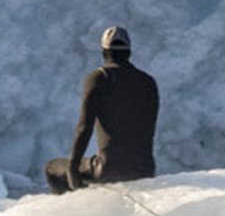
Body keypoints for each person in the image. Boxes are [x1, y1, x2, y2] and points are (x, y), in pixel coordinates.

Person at [47, 24, 160, 190]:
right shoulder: (148, 82)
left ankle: (77, 210)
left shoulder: (99, 78)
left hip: (108, 168)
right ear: (129, 52)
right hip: (145, 169)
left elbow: (84, 128)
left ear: (103, 51)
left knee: (52, 168)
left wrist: (73, 168)